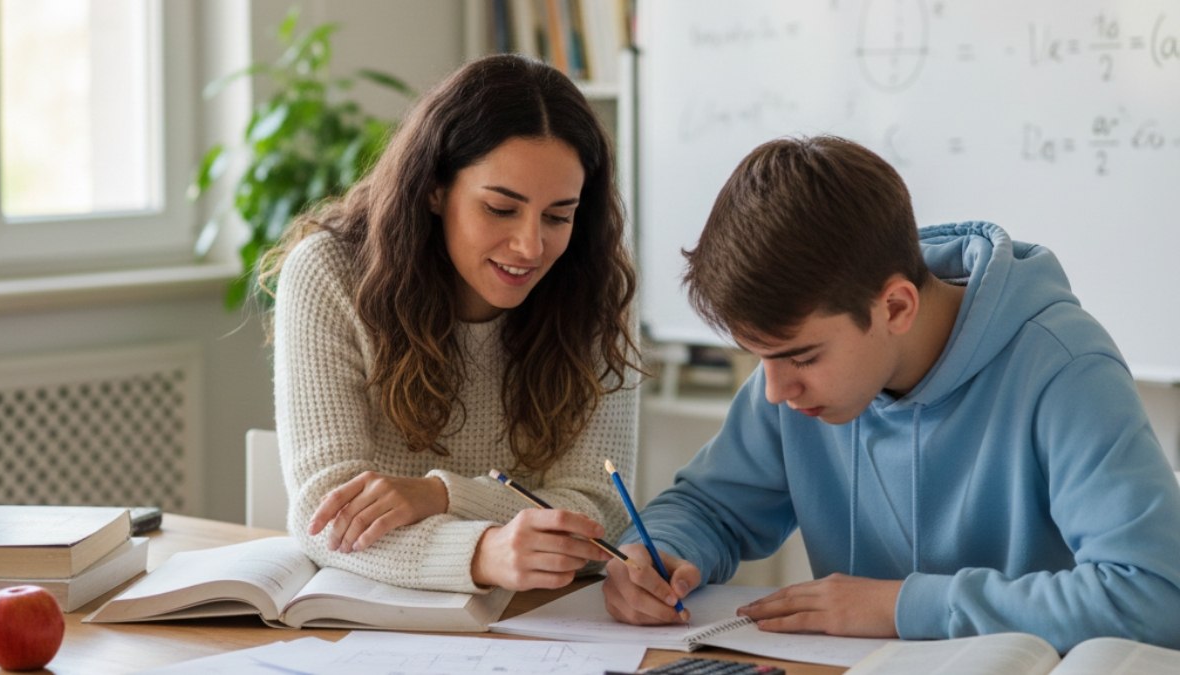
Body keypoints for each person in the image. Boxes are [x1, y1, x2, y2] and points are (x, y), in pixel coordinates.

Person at [602, 135, 1180, 651]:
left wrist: (899, 606)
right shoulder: (798, 375)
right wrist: (657, 555)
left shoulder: (1064, 367)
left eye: (801, 357)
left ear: (896, 307)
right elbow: (709, 509)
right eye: (759, 358)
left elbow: (1155, 595)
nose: (775, 391)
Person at [262, 54, 642, 594]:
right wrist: (482, 553)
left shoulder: (599, 292)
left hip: (539, 618)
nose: (531, 246)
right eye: (500, 209)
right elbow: (327, 517)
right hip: (368, 622)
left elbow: (598, 510)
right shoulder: (329, 276)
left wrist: (441, 496)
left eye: (559, 216)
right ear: (434, 189)